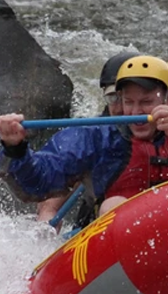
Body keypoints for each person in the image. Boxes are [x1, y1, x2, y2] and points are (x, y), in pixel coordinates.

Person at [0, 55, 168, 216]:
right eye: (129, 102)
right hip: (117, 240)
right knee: (114, 205)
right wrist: (14, 148)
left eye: (146, 102)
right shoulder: (96, 136)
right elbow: (37, 183)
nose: (136, 112)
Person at [33, 50, 138, 226]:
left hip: (161, 221)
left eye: (139, 100)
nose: (126, 109)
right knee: (112, 205)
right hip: (104, 226)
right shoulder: (92, 137)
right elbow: (49, 204)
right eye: (114, 98)